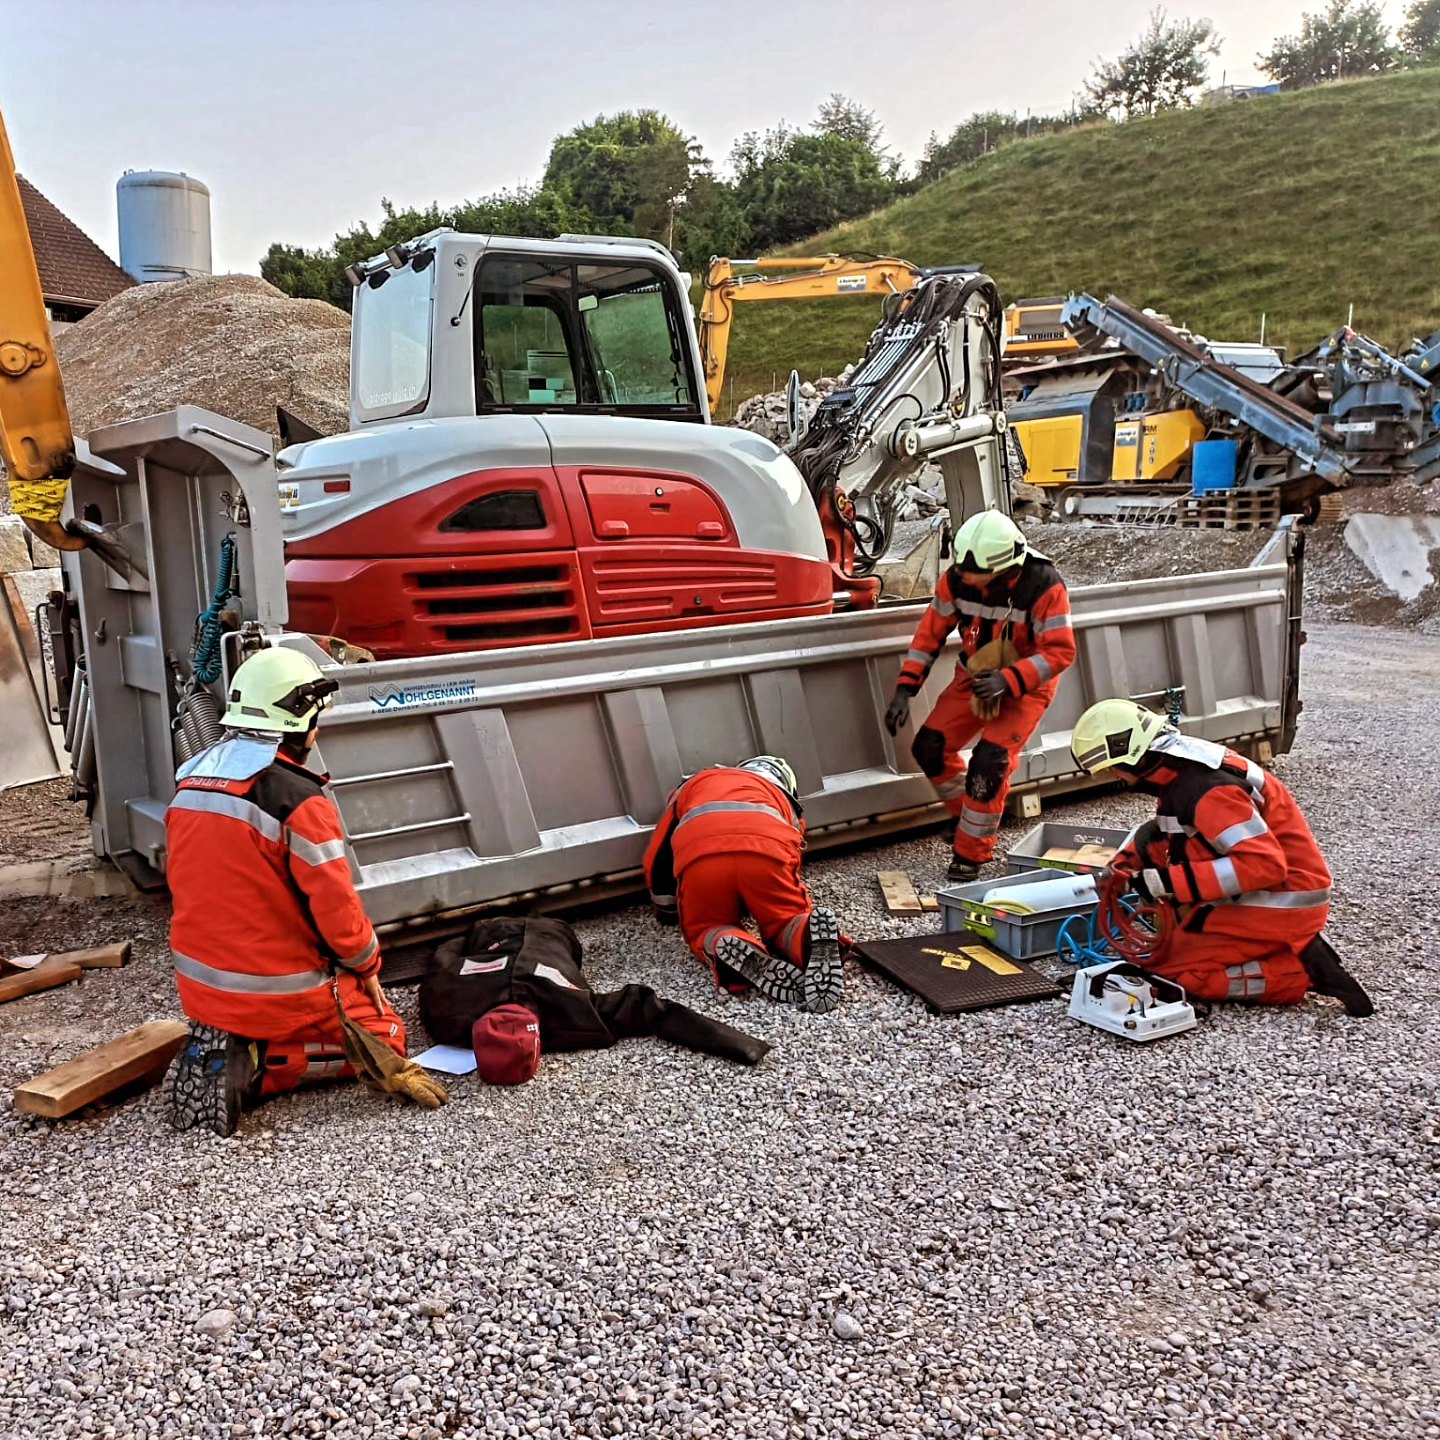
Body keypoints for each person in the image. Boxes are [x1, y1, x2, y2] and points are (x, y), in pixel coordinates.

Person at [165, 645, 443, 1135]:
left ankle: (228, 1038)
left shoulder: (191, 781)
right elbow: (338, 911)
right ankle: (258, 1065)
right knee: (386, 1036)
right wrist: (366, 967)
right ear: (301, 719)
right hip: (277, 990)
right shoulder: (298, 801)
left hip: (200, 987)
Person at [1069, 698, 1371, 1013]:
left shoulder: (1208, 790)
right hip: (1271, 893)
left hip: (1283, 901)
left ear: (1131, 760)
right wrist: (1124, 865)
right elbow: (1177, 832)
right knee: (1166, 943)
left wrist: (1165, 882)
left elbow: (1264, 866)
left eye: (1113, 769)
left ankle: (1297, 972)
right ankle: (1275, 947)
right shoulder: (1182, 767)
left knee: (1174, 974)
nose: (1117, 778)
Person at [884, 510, 1075, 881]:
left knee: (990, 762)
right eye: (961, 569)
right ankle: (964, 819)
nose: (963, 577)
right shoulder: (956, 579)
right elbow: (930, 634)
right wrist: (905, 690)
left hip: (1026, 686)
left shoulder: (1045, 586)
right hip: (975, 673)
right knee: (930, 746)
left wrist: (1009, 680)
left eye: (974, 572)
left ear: (1005, 568)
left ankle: (971, 853)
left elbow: (1059, 652)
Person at [418, 915, 771, 1081]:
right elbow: (442, 959)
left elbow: (650, 1010)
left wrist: (743, 1046)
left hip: (524, 935)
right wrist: (741, 1046)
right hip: (534, 931)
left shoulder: (577, 1019)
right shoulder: (448, 1013)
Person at [643, 755, 844, 1014]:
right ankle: (806, 937)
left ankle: (727, 942)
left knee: (708, 925)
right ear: (786, 784)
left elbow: (658, 856)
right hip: (765, 851)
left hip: (702, 857)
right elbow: (791, 847)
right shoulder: (782, 799)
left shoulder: (694, 784)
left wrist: (666, 906)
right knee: (786, 917)